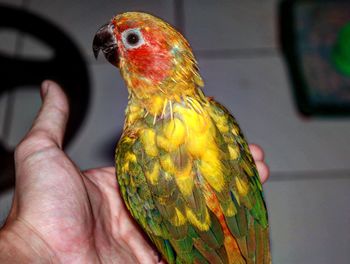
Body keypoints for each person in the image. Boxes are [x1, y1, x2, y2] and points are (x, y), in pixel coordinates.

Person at [0, 81, 270, 263]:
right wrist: (30, 245)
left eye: (131, 39)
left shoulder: (131, 159)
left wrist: (30, 244)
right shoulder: (217, 119)